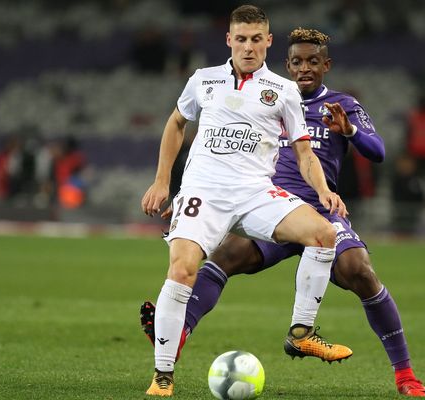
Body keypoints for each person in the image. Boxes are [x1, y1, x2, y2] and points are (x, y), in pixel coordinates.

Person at [142, 27, 425, 397]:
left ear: (326, 65)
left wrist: (350, 130)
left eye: (313, 62)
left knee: (359, 271)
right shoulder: (273, 97)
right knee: (224, 255)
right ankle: (174, 336)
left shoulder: (342, 105)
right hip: (268, 205)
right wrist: (195, 197)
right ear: (288, 64)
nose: (304, 69)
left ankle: (405, 375)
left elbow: (377, 152)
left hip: (317, 208)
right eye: (297, 62)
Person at [140, 7, 349, 397]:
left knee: (323, 234)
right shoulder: (204, 80)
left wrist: (322, 190)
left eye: (257, 39)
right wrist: (161, 181)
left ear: (268, 41)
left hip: (255, 193)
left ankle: (301, 332)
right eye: (241, 38)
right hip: (204, 193)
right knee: (183, 269)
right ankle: (163, 375)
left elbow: (304, 154)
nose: (249, 46)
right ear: (229, 40)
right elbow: (176, 123)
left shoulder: (284, 91)